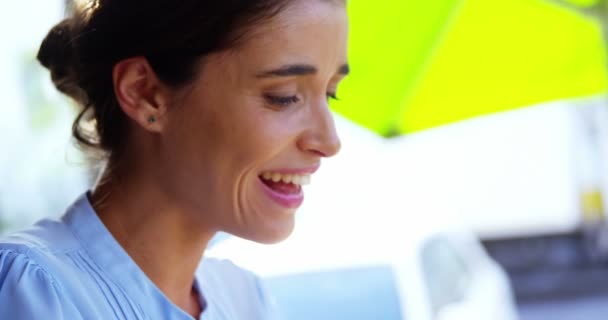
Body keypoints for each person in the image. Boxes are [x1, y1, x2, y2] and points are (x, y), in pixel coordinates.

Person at [0, 0, 349, 318]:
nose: (329, 142)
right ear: (145, 93)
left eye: (330, 94)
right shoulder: (36, 291)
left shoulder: (245, 299)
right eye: (283, 97)